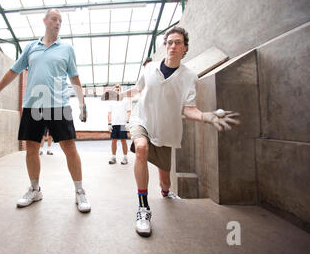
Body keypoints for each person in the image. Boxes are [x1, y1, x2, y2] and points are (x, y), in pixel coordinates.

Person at [101, 26, 240, 237]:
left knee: (164, 180)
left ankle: (166, 191)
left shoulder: (189, 77)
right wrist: (118, 96)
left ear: (185, 48)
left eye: (177, 42)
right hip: (142, 120)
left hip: (166, 130)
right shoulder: (150, 69)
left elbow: (189, 109)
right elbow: (138, 90)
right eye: (169, 42)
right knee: (141, 148)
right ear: (165, 46)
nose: (172, 46)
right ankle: (143, 209)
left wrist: (206, 116)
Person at [0, 9, 91, 213]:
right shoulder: (31, 47)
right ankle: (35, 190)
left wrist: (82, 103)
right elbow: (14, 70)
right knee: (31, 146)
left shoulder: (67, 49)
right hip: (33, 105)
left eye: (60, 20)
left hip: (59, 105)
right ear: (45, 21)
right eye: (54, 19)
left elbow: (74, 77)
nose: (58, 23)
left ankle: (79, 191)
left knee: (69, 146)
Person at [107, 85, 131, 165]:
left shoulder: (125, 100)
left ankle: (125, 158)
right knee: (113, 141)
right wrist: (109, 123)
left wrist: (127, 122)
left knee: (123, 140)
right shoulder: (111, 102)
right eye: (115, 89)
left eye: (118, 89)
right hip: (114, 124)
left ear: (121, 90)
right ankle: (113, 157)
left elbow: (129, 111)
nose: (117, 90)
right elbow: (109, 113)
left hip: (122, 124)